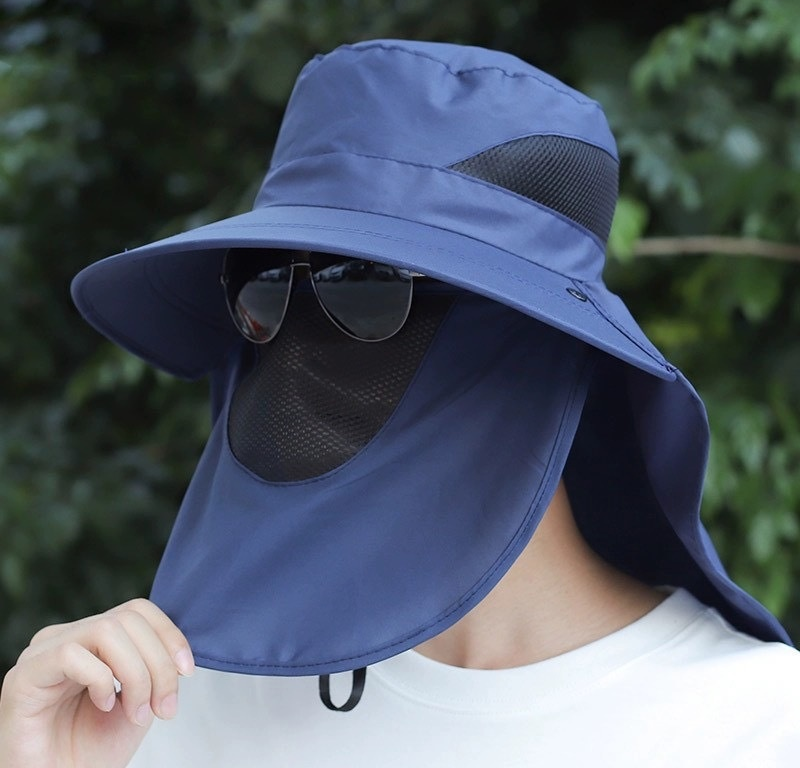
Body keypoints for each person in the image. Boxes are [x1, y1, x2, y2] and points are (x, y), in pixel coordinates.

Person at [1, 39, 799, 767]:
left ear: (537, 338)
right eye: (267, 283)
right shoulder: (169, 702)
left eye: (366, 284)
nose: (299, 351)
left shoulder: (756, 725)